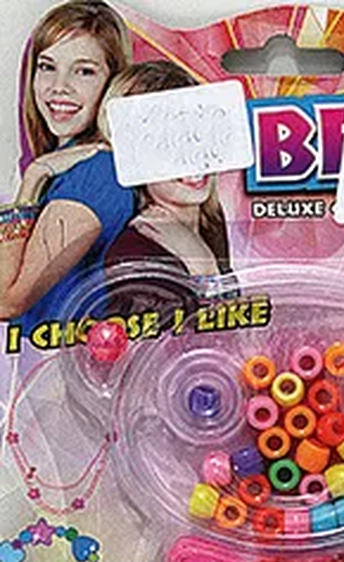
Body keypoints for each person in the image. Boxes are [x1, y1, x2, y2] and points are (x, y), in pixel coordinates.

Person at [0, 0, 134, 331]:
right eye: (47, 67)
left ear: (112, 82)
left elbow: (6, 301)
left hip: (59, 357)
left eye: (84, 71)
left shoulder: (95, 174)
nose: (59, 86)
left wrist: (33, 179)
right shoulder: (69, 165)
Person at [101, 61, 236, 319]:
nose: (193, 157)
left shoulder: (210, 219)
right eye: (168, 145)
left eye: (198, 135)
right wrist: (204, 270)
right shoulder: (134, 253)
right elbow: (195, 339)